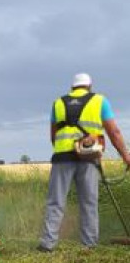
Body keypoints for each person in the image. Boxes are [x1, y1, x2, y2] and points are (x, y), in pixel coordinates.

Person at [38, 73, 130, 252]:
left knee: (55, 201)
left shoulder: (58, 103)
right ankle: (88, 246)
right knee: (89, 202)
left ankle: (47, 245)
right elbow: (114, 132)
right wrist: (126, 156)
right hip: (88, 159)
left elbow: (53, 136)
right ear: (89, 86)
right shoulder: (100, 101)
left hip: (62, 158)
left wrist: (65, 150)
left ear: (73, 88)